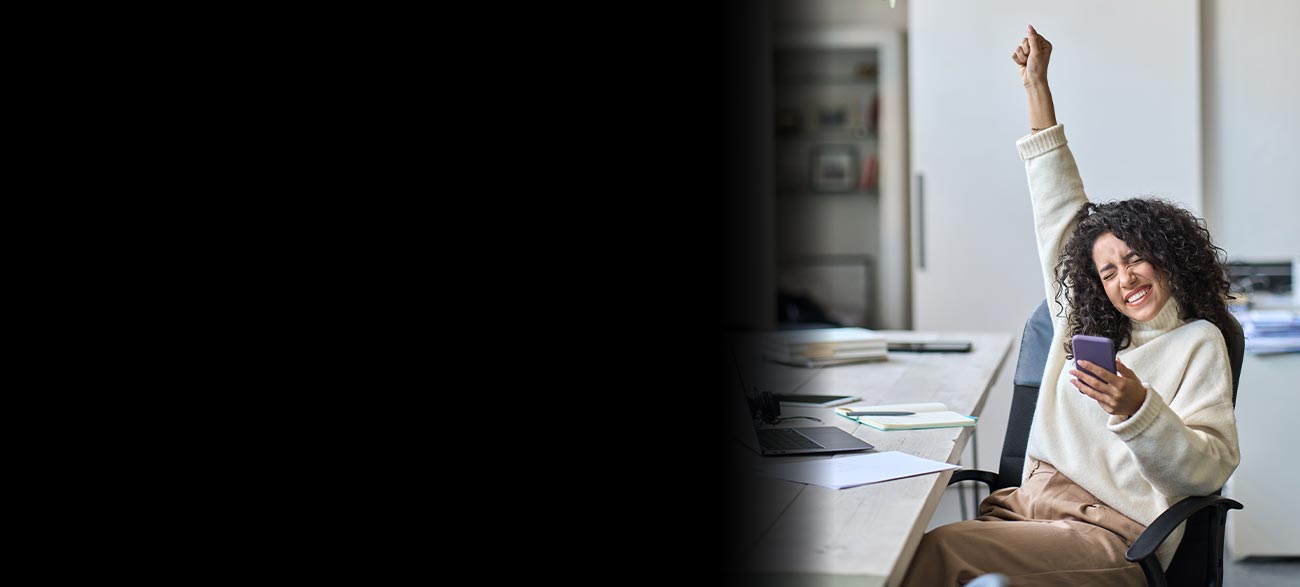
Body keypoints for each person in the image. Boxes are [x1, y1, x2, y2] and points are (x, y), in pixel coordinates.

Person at [899, 25, 1240, 586]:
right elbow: (1056, 205)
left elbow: (1204, 472)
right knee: (918, 549)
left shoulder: (1199, 342)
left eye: (1135, 260)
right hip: (1028, 507)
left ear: (1167, 256)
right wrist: (1037, 86)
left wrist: (1139, 410)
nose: (1124, 278)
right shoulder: (1079, 324)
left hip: (1113, 536)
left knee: (941, 553)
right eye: (1107, 271)